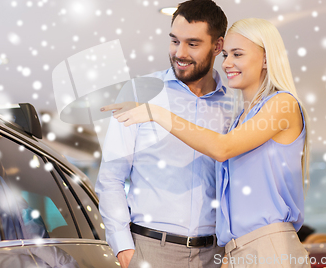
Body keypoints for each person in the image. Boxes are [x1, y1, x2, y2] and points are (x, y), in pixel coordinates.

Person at [103, 18, 312, 268]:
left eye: (237, 54)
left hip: (268, 248)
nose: (227, 63)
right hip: (235, 250)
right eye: (226, 55)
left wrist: (157, 113)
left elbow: (222, 148)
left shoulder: (282, 104)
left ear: (266, 59)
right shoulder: (240, 118)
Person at [95, 0, 234, 268]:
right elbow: (111, 178)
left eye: (193, 44)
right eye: (174, 41)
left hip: (215, 254)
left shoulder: (233, 105)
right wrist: (124, 248)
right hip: (149, 250)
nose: (180, 52)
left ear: (218, 46)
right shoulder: (139, 93)